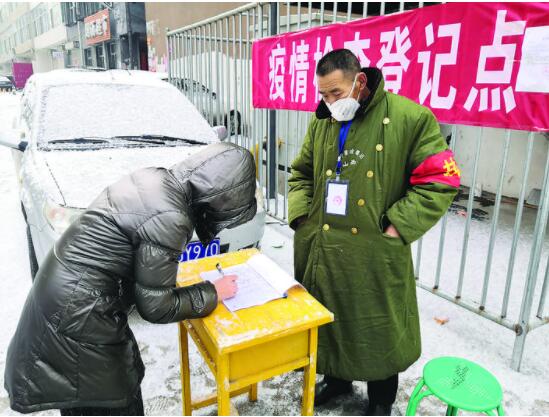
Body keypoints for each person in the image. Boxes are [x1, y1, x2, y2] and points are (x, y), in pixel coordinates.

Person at [4, 142, 257, 415]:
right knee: (114, 404)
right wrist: (213, 292)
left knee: (98, 398)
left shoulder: (158, 180)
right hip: (79, 318)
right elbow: (156, 306)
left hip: (65, 300)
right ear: (221, 200)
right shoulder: (173, 216)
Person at [288, 49, 460, 415]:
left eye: (336, 93)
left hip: (374, 247)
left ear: (359, 81)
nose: (330, 102)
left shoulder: (409, 117)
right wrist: (302, 214)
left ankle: (381, 399)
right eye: (323, 94)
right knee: (329, 316)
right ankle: (336, 381)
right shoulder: (322, 121)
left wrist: (398, 225)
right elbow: (300, 172)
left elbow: (441, 179)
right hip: (322, 243)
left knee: (376, 324)